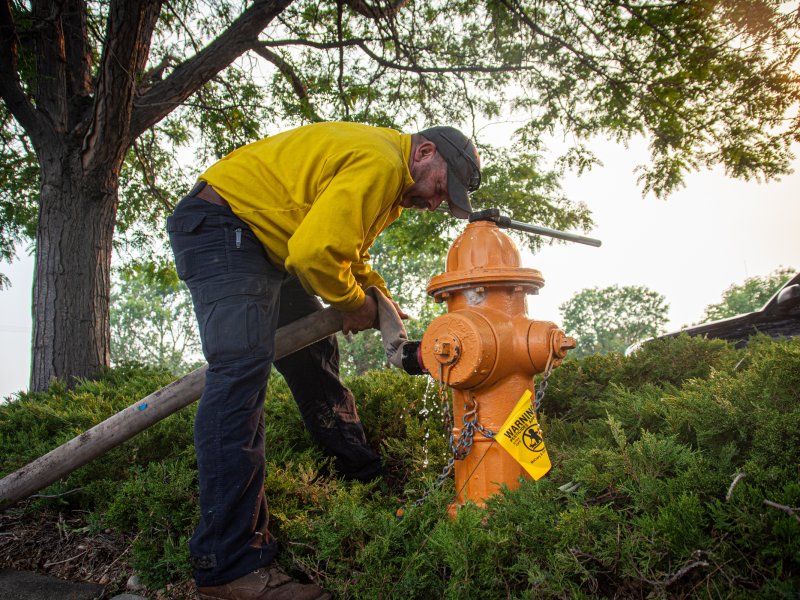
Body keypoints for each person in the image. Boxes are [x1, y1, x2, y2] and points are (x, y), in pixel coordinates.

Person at [167, 122, 481, 600]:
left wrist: (380, 302)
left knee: (313, 357)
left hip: (266, 242)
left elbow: (345, 255)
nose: (438, 203)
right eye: (443, 187)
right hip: (224, 226)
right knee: (239, 376)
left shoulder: (391, 182)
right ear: (426, 152)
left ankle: (364, 478)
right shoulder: (380, 162)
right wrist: (354, 303)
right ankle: (228, 567)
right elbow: (315, 255)